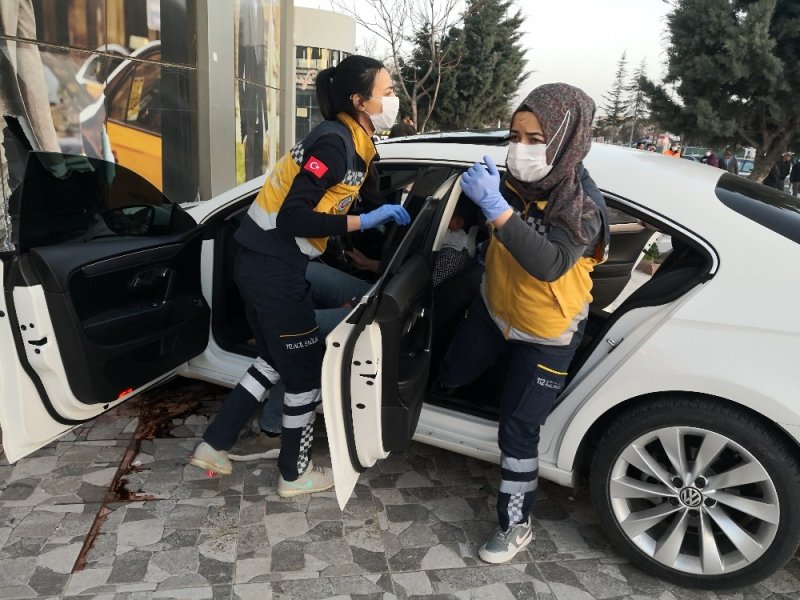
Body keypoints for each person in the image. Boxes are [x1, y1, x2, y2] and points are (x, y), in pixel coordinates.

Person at [189, 55, 410, 497]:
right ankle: (294, 474)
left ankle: (213, 448)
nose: (393, 98)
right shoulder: (332, 143)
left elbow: (344, 195)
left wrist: (376, 207)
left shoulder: (354, 141)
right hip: (274, 268)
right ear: (359, 100)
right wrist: (364, 224)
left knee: (273, 359)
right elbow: (293, 218)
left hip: (262, 263)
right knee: (304, 373)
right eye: (386, 91)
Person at [437, 83, 608, 564]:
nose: (521, 147)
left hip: (548, 333)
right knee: (451, 373)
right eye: (516, 135)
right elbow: (464, 225)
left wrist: (496, 208)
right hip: (495, 311)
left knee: (517, 429)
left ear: (565, 139)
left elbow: (551, 262)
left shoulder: (581, 203)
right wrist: (475, 214)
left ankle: (515, 523)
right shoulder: (512, 181)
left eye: (536, 138)